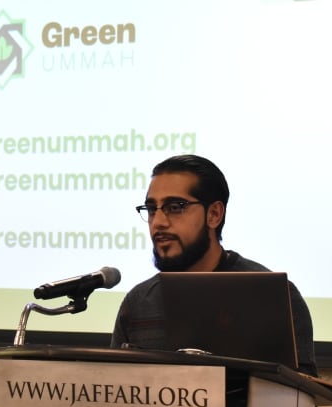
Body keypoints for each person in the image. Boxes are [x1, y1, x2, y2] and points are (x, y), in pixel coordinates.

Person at [110, 154, 318, 376]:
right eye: (152, 209)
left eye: (175, 207)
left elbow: (302, 397)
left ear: (214, 214)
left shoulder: (273, 295)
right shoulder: (139, 302)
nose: (158, 222)